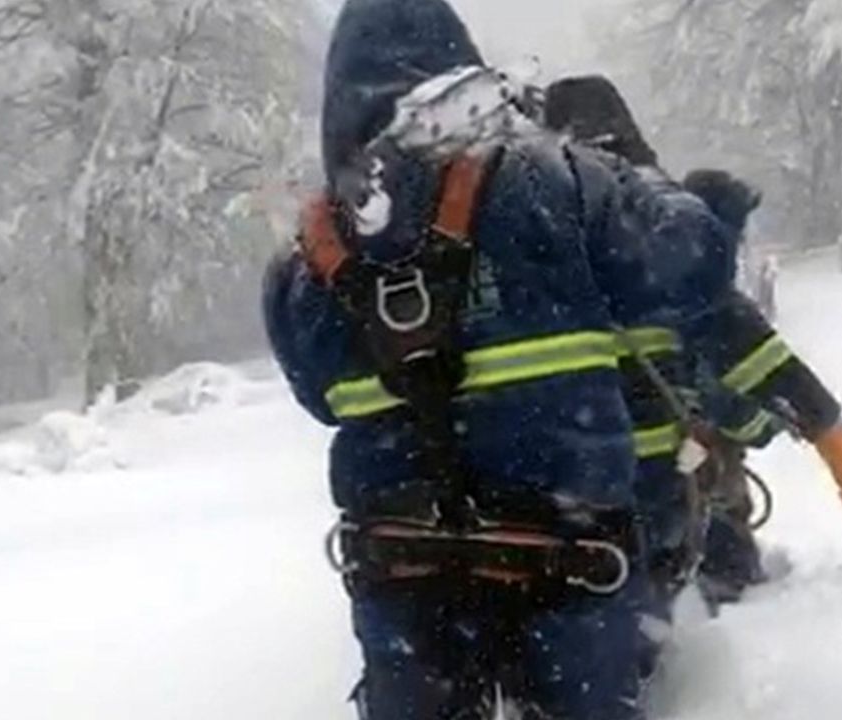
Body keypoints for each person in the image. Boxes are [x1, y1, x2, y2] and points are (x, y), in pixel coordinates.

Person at [262, 1, 772, 717]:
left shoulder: (304, 260)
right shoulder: (559, 178)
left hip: (403, 568)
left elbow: (318, 396)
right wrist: (675, 188)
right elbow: (693, 265)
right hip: (568, 555)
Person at [542, 75, 842, 628]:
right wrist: (820, 422)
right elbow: (734, 338)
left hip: (552, 487)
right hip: (655, 484)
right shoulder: (652, 221)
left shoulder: (526, 216)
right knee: (664, 604)